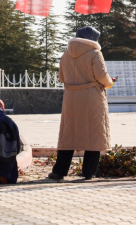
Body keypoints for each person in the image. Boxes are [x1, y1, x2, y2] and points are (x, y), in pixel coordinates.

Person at [48, 26, 117, 181]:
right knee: (94, 135)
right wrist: (110, 82)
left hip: (71, 98)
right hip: (91, 97)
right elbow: (102, 76)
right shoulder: (95, 53)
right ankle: (88, 172)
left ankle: (59, 172)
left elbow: (61, 77)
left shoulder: (66, 54)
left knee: (68, 135)